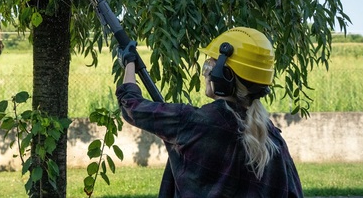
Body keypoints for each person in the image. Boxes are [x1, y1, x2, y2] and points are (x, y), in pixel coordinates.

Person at [116, 27, 304, 197]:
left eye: (209, 67)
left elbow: (132, 107)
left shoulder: (192, 123)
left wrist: (129, 63)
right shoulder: (274, 141)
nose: (205, 73)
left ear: (224, 76)